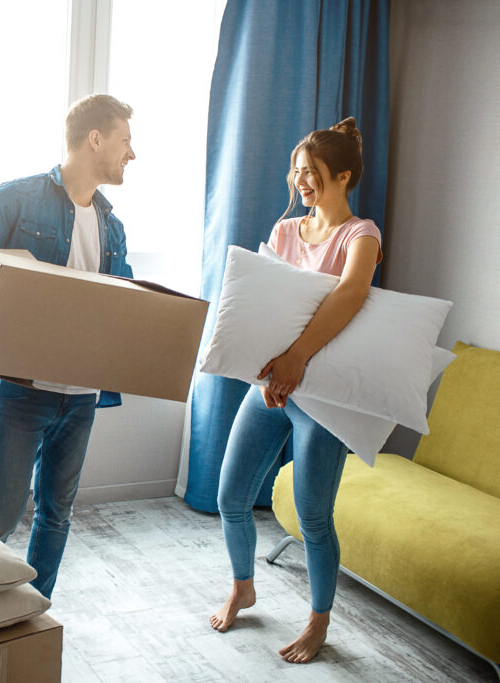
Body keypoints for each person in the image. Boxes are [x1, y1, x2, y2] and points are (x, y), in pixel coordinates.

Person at [0, 94, 136, 598]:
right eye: (126, 141)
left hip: (82, 396)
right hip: (23, 390)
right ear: (95, 139)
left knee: (56, 515)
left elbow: (125, 305)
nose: (132, 154)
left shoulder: (113, 227)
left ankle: (32, 613)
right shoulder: (18, 198)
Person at [209, 117, 382, 663]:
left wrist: (297, 357)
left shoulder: (362, 235)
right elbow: (265, 310)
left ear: (344, 175)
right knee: (230, 497)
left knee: (312, 517)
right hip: (271, 384)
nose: (300, 181)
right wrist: (271, 369)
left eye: (311, 173)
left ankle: (318, 621)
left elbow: (352, 293)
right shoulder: (286, 233)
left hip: (320, 396)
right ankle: (243, 585)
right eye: (297, 171)